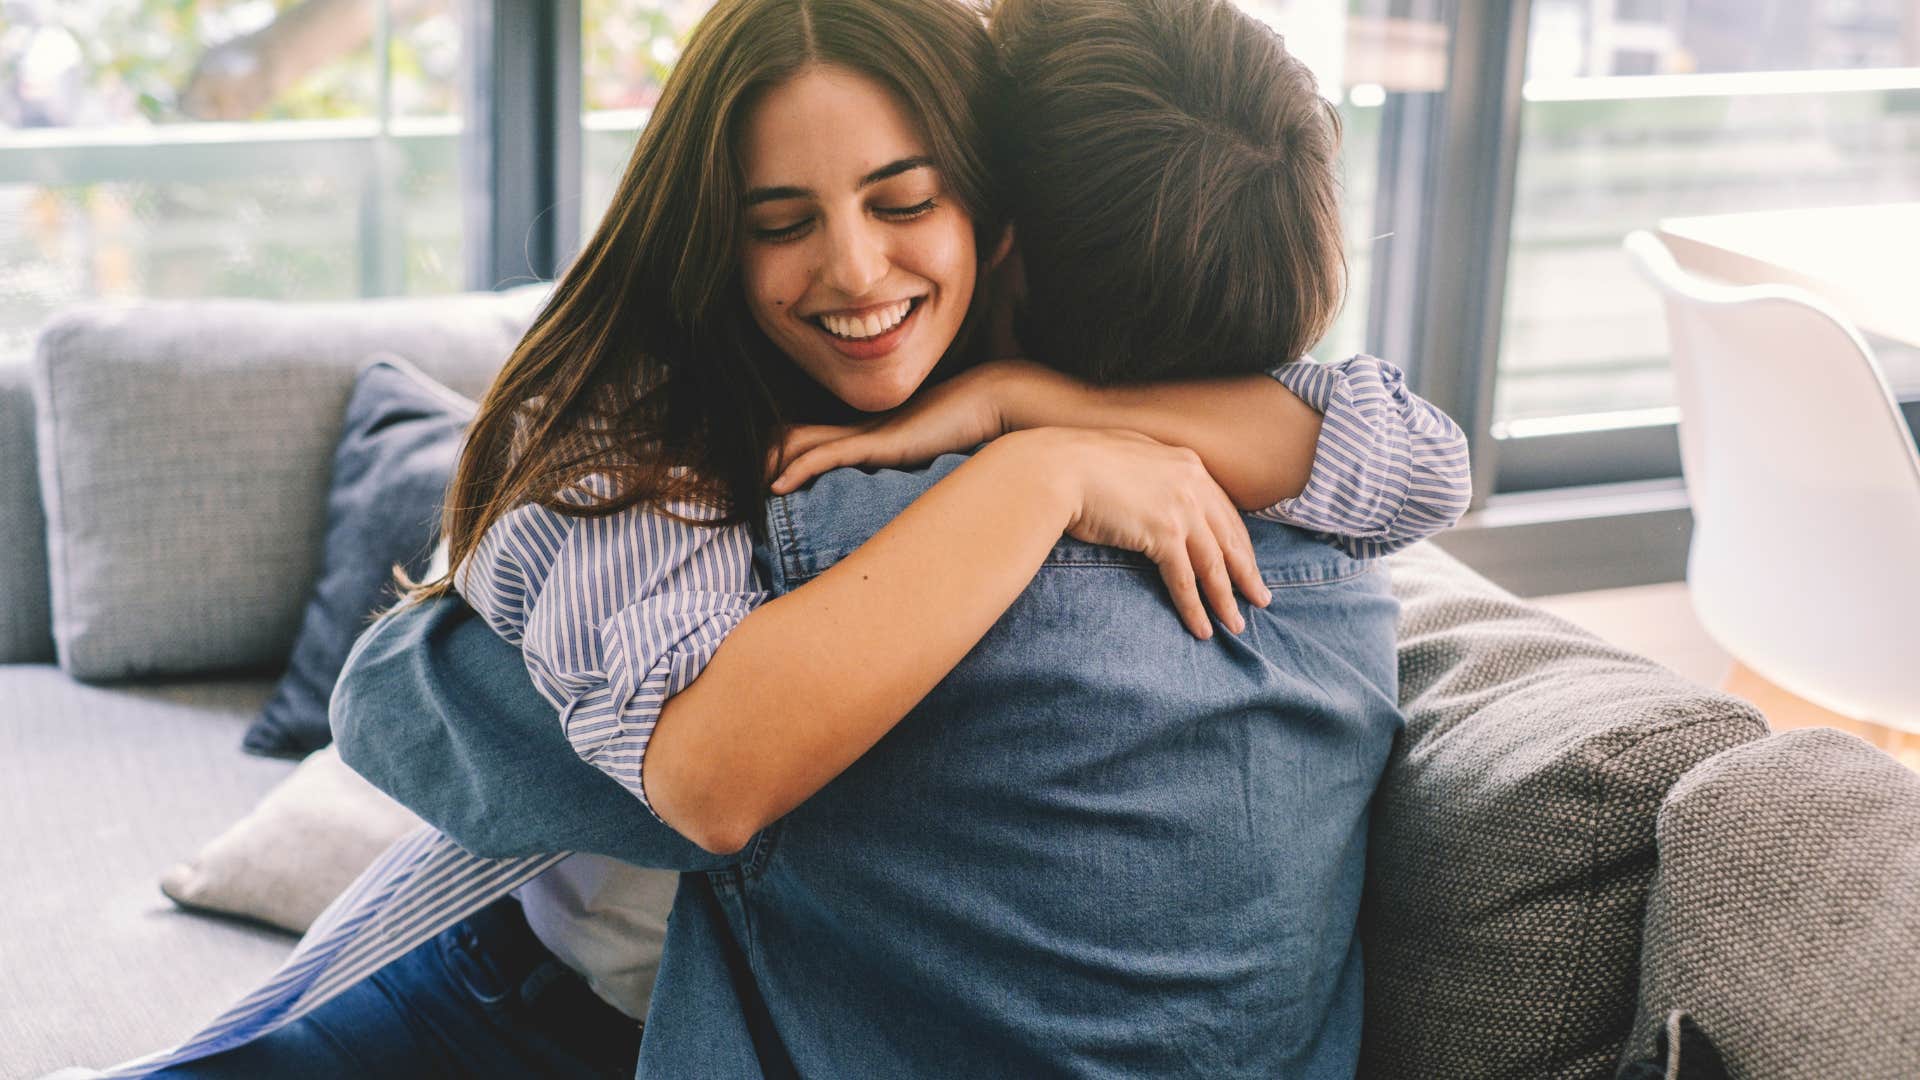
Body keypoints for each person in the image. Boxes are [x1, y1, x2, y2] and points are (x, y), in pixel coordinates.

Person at [99, 0, 1466, 1075]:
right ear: (716, 234)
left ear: (997, 217)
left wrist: (1028, 405)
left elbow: (1418, 461)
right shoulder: (671, 446)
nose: (857, 271)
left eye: (903, 200)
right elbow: (686, 765)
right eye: (779, 223)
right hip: (515, 977)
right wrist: (1039, 473)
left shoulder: (1065, 382)